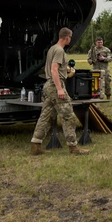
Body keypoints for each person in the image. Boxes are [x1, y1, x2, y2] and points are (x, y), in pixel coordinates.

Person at [30, 27, 89, 156]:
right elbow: (54, 70)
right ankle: (73, 147)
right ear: (66, 37)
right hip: (55, 86)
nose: (71, 39)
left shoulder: (52, 48)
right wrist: (59, 89)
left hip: (48, 85)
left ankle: (36, 145)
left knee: (45, 116)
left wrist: (66, 70)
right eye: (70, 37)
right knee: (68, 116)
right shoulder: (60, 50)